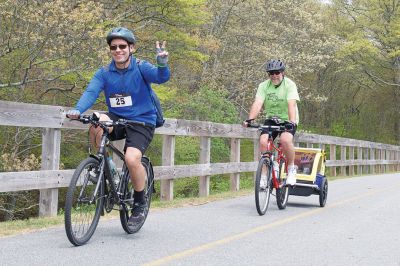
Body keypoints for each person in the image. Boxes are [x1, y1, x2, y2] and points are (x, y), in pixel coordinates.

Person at [66, 27, 170, 225]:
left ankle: (139, 203)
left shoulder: (141, 67)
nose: (118, 50)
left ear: (132, 48)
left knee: (131, 159)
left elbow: (161, 77)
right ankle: (105, 166)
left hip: (142, 120)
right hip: (117, 117)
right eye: (114, 47)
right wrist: (78, 110)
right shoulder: (104, 73)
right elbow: (91, 92)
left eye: (123, 46)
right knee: (96, 120)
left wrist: (162, 63)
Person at [243, 59, 300, 185]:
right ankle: (264, 175)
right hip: (272, 118)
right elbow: (258, 103)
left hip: (287, 118)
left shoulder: (290, 85)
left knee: (285, 140)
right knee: (263, 141)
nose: (274, 76)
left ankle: (291, 169)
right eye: (271, 73)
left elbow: (292, 104)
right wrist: (250, 119)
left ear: (282, 73)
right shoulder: (263, 86)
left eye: (276, 73)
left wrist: (291, 121)